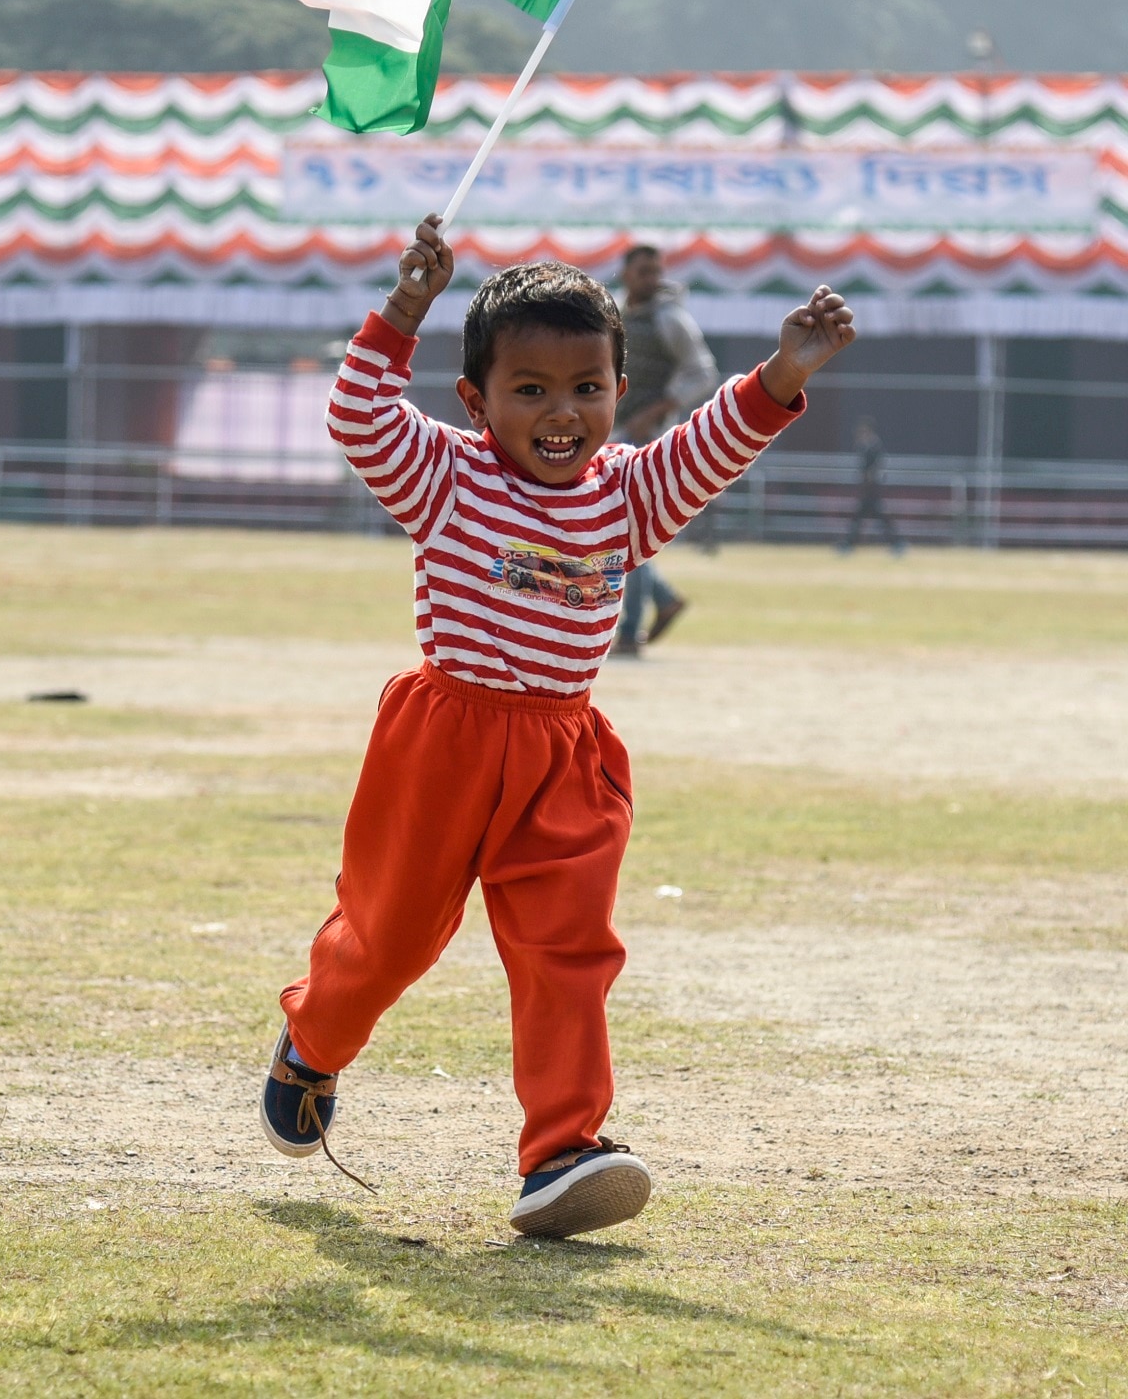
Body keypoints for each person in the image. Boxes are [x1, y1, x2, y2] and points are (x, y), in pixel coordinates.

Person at [260, 214, 855, 1239]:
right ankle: (314, 1039)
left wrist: (780, 375)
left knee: (567, 953)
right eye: (528, 390)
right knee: (391, 935)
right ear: (476, 399)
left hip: (565, 755)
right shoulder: (445, 475)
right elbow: (359, 419)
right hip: (442, 740)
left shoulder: (626, 494)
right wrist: (405, 310)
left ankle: (562, 1152)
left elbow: (707, 449)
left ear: (619, 393)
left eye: (586, 387)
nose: (560, 412)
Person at [612, 243, 719, 655]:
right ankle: (663, 597)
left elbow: (703, 373)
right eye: (643, 271)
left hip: (648, 434)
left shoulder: (671, 319)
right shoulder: (616, 313)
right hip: (615, 431)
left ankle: (630, 631)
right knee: (618, 530)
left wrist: (660, 407)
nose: (651, 279)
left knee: (627, 529)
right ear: (626, 274)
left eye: (656, 272)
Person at [840, 416, 905, 554]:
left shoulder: (873, 446)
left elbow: (872, 469)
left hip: (872, 490)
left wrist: (867, 481)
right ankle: (896, 542)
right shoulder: (865, 446)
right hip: (869, 491)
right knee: (870, 517)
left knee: (866, 517)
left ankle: (848, 544)